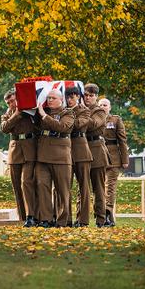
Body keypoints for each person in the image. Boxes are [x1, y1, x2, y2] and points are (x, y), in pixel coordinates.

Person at [34, 89, 74, 228]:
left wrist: (44, 116)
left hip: (60, 156)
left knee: (62, 190)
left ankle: (63, 220)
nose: (49, 100)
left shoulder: (67, 113)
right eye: (48, 98)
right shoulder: (42, 112)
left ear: (61, 100)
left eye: (53, 98)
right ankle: (46, 219)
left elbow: (62, 127)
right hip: (43, 155)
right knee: (42, 187)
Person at [0, 89, 38, 227]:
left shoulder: (29, 111)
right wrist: (15, 114)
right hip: (15, 151)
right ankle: (23, 217)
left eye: (13, 100)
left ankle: (31, 215)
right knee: (16, 185)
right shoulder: (7, 114)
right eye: (8, 102)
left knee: (26, 182)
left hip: (29, 149)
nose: (11, 104)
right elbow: (4, 128)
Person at [99, 98, 129, 227]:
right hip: (97, 156)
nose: (102, 107)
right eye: (100, 105)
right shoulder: (93, 119)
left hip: (113, 158)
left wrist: (125, 160)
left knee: (110, 187)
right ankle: (102, 216)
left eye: (105, 105)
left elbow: (122, 140)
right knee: (99, 188)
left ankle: (107, 213)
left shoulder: (116, 120)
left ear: (110, 107)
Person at [65, 87, 93, 227]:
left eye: (72, 97)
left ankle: (83, 220)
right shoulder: (63, 110)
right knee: (64, 187)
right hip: (65, 150)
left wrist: (65, 119)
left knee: (84, 187)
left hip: (81, 150)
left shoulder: (84, 110)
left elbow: (77, 124)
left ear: (78, 97)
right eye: (67, 97)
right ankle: (66, 219)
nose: (69, 100)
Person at [83, 83, 110, 227]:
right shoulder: (80, 109)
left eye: (91, 95)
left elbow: (92, 124)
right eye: (86, 95)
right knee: (82, 188)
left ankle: (101, 219)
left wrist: (82, 114)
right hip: (82, 148)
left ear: (96, 97)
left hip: (96, 150)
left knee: (98, 188)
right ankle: (81, 219)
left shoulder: (99, 111)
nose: (88, 98)